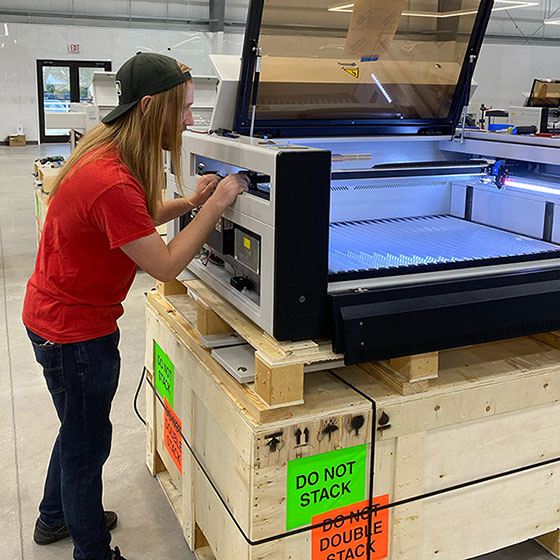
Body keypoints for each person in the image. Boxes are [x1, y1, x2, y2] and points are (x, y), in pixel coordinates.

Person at [22, 52, 249, 560]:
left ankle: (54, 516)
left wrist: (190, 202)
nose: (191, 120)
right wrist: (214, 206)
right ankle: (92, 552)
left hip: (55, 318)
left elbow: (138, 221)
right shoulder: (110, 179)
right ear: (150, 107)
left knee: (77, 428)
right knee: (87, 447)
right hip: (74, 333)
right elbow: (165, 263)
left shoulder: (107, 159)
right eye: (185, 109)